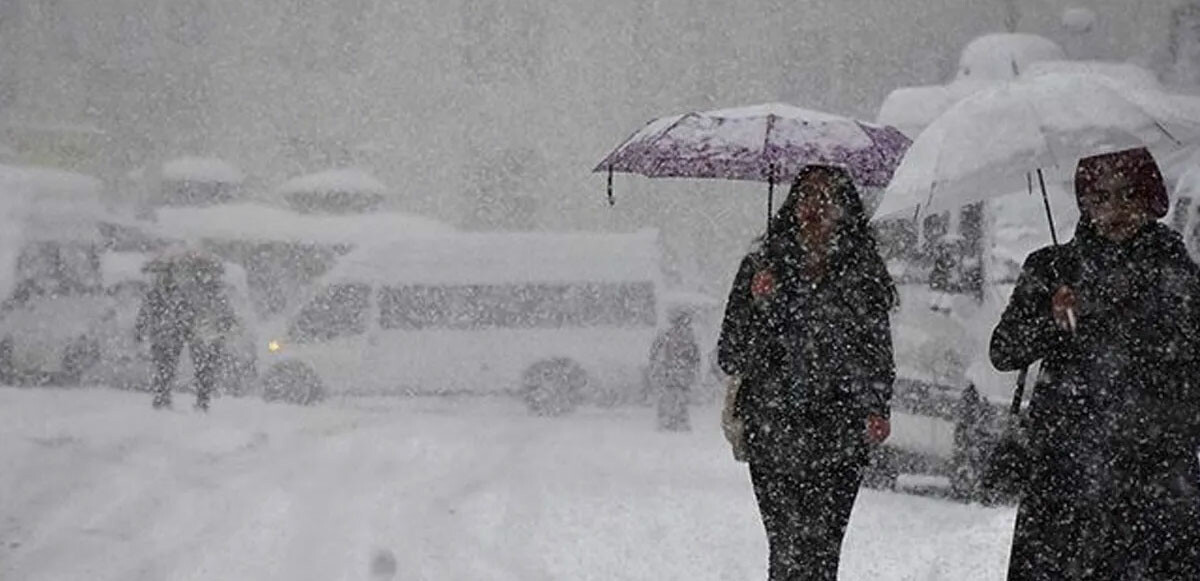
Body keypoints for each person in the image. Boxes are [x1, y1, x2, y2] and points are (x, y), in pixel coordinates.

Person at [990, 147, 1200, 580]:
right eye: (1101, 197)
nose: (1116, 210)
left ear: (1149, 198)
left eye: (1128, 195)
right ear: (1085, 202)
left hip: (1154, 476)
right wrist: (1053, 321)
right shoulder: (1052, 267)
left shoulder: (1178, 274)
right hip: (1064, 473)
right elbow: (1004, 350)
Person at [717, 165, 897, 581]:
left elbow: (877, 355)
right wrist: (759, 303)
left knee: (822, 555)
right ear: (793, 205)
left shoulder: (861, 273)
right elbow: (731, 354)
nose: (815, 207)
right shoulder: (762, 268)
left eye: (826, 198)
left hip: (839, 435)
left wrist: (876, 407)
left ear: (845, 210)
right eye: (807, 196)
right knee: (786, 550)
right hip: (773, 431)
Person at [135, 252, 236, 411]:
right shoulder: (188, 292)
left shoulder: (188, 292)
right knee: (175, 368)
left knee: (173, 368)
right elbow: (187, 311)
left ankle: (177, 398)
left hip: (183, 335)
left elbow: (187, 311)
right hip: (183, 335)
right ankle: (174, 397)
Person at [648, 308, 700, 431]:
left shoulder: (670, 335)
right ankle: (675, 421)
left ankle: (671, 421)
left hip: (674, 371)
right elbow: (695, 356)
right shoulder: (681, 336)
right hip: (677, 372)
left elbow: (655, 350)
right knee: (675, 398)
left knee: (672, 397)